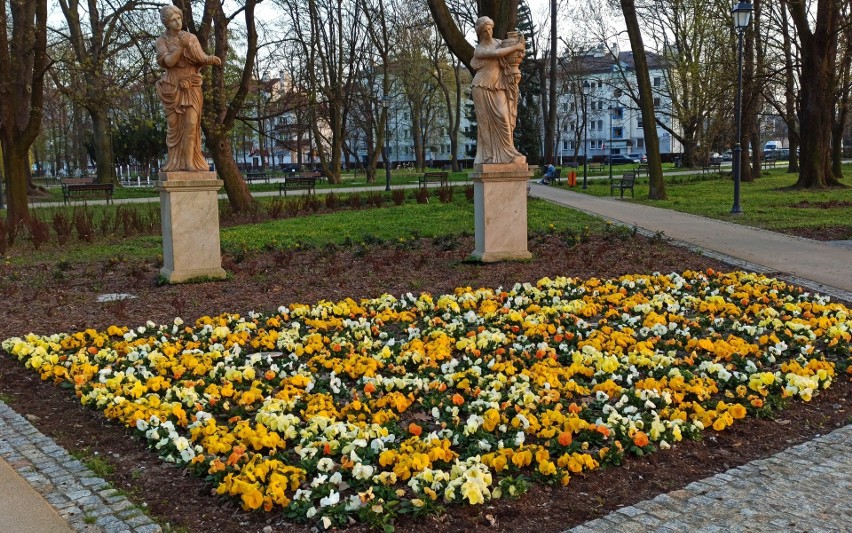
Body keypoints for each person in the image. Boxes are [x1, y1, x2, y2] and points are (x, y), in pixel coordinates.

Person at [155, 6, 221, 172]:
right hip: (172, 87)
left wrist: (210, 59)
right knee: (173, 125)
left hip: (191, 85)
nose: (178, 22)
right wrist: (180, 47)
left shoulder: (190, 37)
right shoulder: (162, 41)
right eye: (173, 20)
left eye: (179, 18)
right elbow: (168, 62)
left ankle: (189, 162)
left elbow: (200, 56)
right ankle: (174, 163)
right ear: (166, 23)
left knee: (191, 123)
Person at [470, 17, 526, 165]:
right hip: (481, 87)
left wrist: (520, 51)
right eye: (484, 30)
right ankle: (487, 156)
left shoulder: (498, 43)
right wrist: (516, 47)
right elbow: (497, 54)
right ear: (480, 33)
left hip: (499, 85)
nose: (488, 32)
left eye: (490, 28)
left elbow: (508, 55)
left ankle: (509, 151)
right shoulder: (479, 50)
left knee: (503, 117)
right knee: (485, 123)